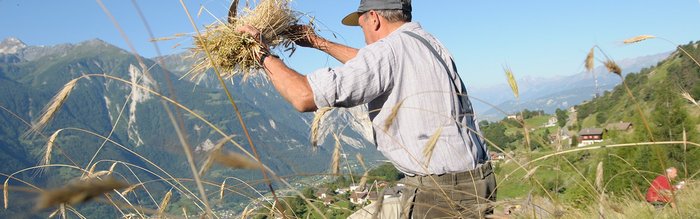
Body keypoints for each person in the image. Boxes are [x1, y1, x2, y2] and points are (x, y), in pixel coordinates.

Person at [237, 0, 496, 217]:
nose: (363, 33)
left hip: (441, 194)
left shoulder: (388, 51)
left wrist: (262, 53)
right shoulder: (426, 42)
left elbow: (303, 96)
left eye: (361, 25)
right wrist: (318, 42)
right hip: (476, 182)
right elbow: (372, 65)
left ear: (373, 18)